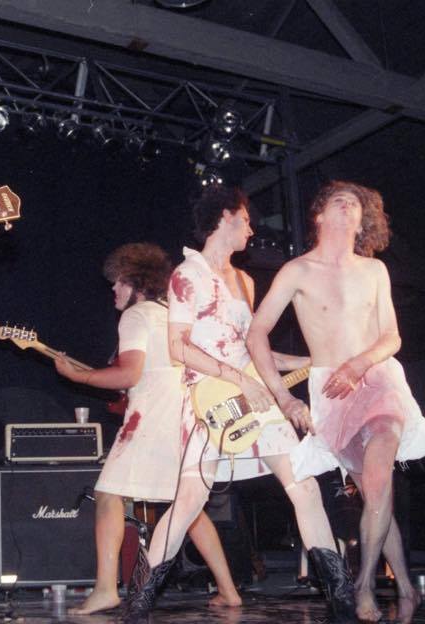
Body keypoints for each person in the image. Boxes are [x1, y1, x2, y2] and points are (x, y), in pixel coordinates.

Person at [123, 186, 356, 624]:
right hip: (210, 398)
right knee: (189, 499)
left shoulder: (245, 282)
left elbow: (253, 349)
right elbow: (178, 347)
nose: (251, 230)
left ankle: (341, 597)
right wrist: (238, 380)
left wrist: (310, 361)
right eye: (246, 220)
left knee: (304, 486)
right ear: (227, 216)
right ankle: (137, 604)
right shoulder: (187, 275)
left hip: (254, 396)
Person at [248, 180, 425, 624]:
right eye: (338, 200)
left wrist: (359, 363)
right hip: (332, 394)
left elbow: (391, 337)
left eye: (355, 203)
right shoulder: (297, 271)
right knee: (376, 493)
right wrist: (284, 398)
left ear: (362, 222)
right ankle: (405, 586)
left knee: (378, 476)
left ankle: (364, 584)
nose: (347, 204)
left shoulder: (373, 271)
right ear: (319, 216)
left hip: (377, 379)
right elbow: (256, 333)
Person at [55, 243, 242, 614]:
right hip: (185, 416)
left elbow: (130, 374)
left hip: (153, 416)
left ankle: (106, 589)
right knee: (186, 506)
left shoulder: (136, 315)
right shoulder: (171, 312)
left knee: (108, 494)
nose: (113, 289)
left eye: (118, 282)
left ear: (136, 282)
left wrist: (79, 376)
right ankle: (229, 590)